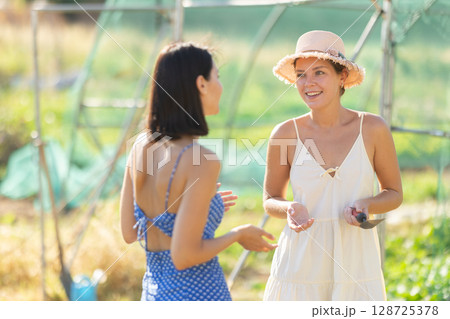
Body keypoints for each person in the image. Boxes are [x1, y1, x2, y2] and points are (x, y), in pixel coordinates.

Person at [119, 42, 277, 301]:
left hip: (153, 294)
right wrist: (238, 234)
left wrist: (203, 205)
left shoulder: (141, 145)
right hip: (197, 295)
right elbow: (185, 256)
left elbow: (129, 232)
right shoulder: (201, 159)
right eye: (217, 76)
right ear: (201, 84)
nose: (221, 86)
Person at [262, 30, 403, 301]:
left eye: (319, 73)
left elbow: (394, 193)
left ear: (342, 77)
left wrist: (367, 204)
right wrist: (289, 208)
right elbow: (270, 199)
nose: (308, 83)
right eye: (301, 74)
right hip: (300, 264)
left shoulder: (373, 128)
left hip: (357, 261)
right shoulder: (285, 133)